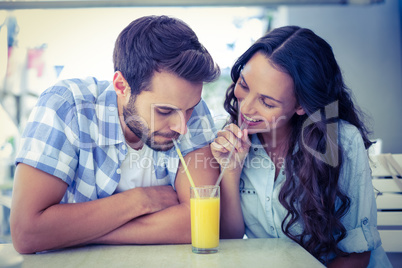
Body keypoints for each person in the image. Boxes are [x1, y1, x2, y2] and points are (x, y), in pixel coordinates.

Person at [11, 15, 220, 254]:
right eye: (164, 111)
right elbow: (27, 233)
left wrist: (76, 233)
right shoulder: (66, 106)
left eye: (190, 109)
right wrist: (140, 201)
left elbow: (198, 224)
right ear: (121, 86)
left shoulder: (189, 107)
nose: (182, 127)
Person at [211, 26, 392, 267]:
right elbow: (230, 239)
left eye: (266, 101)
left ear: (301, 106)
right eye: (244, 85)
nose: (245, 109)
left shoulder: (341, 142)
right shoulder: (233, 138)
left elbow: (355, 256)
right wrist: (230, 172)